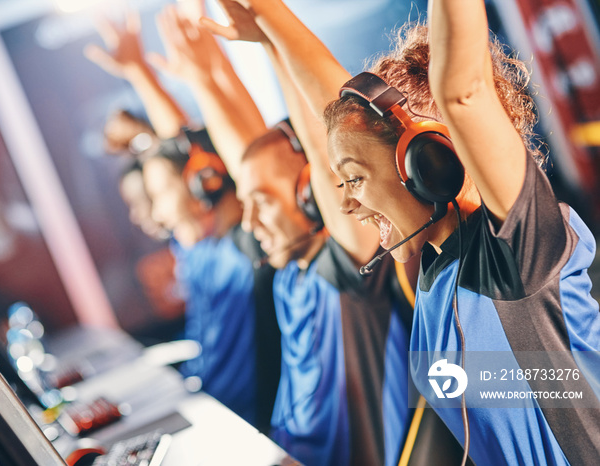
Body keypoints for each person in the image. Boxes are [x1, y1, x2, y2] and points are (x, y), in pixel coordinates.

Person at [213, 0, 600, 464]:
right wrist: (270, 19)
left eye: (355, 179)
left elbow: (464, 92)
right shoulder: (435, 272)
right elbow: (330, 111)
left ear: (425, 162)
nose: (345, 203)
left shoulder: (518, 251)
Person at [152, 5, 432, 465]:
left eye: (262, 201)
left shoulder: (348, 269)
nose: (250, 220)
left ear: (310, 195)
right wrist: (213, 71)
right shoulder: (289, 277)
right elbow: (247, 150)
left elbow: (322, 127)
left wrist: (272, 32)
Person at [85, 10, 281, 433]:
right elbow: (177, 147)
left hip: (247, 426)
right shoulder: (199, 247)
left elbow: (204, 149)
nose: (151, 213)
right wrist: (141, 75)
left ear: (202, 184)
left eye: (155, 196)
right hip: (214, 412)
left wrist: (206, 75)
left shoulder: (250, 242)